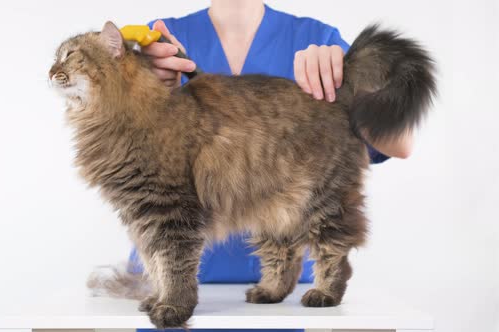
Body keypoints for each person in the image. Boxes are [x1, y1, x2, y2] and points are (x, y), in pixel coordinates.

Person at [128, 0, 412, 330]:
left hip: (285, 309)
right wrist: (142, 92)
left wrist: (346, 84)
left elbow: (402, 144)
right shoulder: (159, 37)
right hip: (166, 296)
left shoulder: (315, 37)